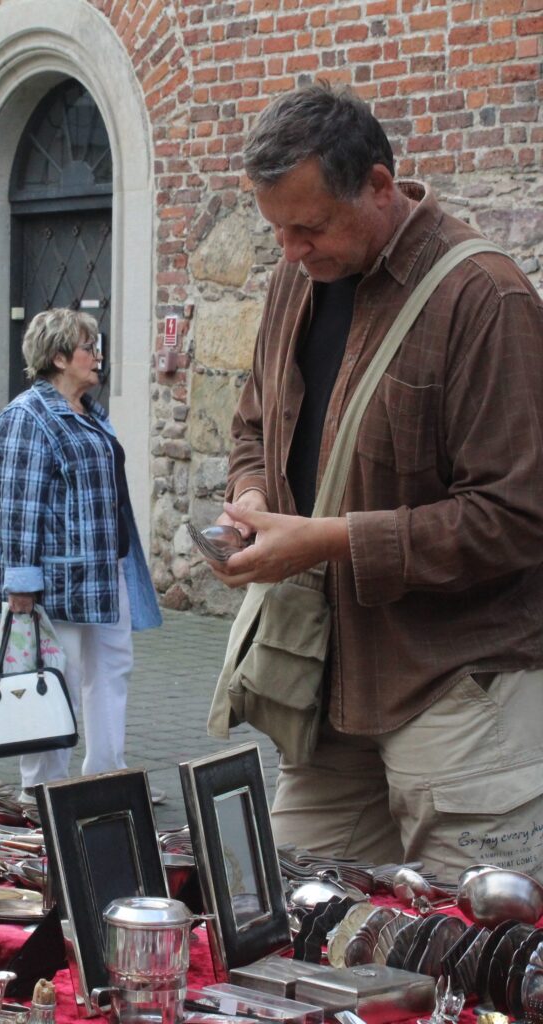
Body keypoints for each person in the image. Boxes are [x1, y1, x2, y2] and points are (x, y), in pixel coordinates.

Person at [206, 81, 543, 882]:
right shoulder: (295, 280)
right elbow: (254, 424)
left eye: (310, 227)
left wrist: (329, 542)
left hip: (458, 691)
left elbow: (519, 516)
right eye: (277, 229)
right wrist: (253, 499)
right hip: (327, 690)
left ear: (380, 186)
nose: (291, 250)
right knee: (285, 913)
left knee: (469, 942)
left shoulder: (485, 297)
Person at [0, 308, 163, 802]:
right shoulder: (27, 416)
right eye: (89, 348)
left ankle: (107, 776)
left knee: (112, 670)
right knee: (52, 677)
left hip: (107, 569)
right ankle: (41, 786)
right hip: (57, 577)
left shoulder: (91, 413)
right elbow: (17, 506)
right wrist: (21, 585)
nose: (98, 357)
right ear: (59, 357)